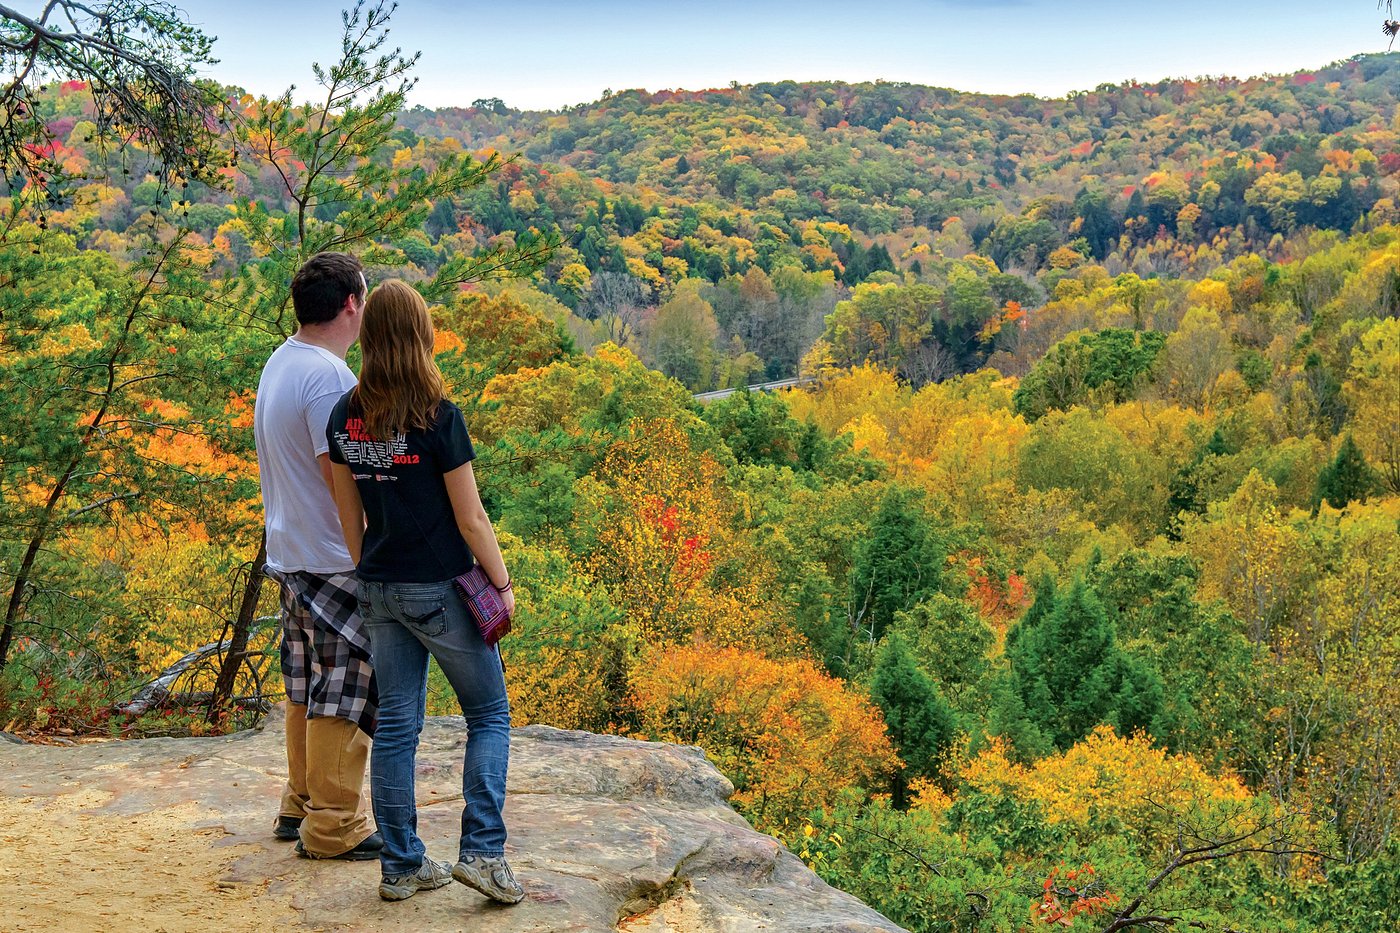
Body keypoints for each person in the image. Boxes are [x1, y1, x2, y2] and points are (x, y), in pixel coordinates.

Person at [325, 279, 523, 905]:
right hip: (439, 588)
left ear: (372, 337)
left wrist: (371, 573)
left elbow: (346, 514)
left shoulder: (344, 414)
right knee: (489, 714)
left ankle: (402, 865)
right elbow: (471, 519)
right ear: (421, 336)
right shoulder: (439, 417)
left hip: (380, 586)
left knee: (397, 728)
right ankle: (483, 856)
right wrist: (502, 583)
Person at [253, 252, 382, 861]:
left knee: (305, 683)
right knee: (348, 685)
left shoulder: (280, 362)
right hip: (332, 555)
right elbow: (344, 478)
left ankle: (299, 803)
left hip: (291, 549)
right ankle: (333, 826)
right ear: (352, 303)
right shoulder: (330, 378)